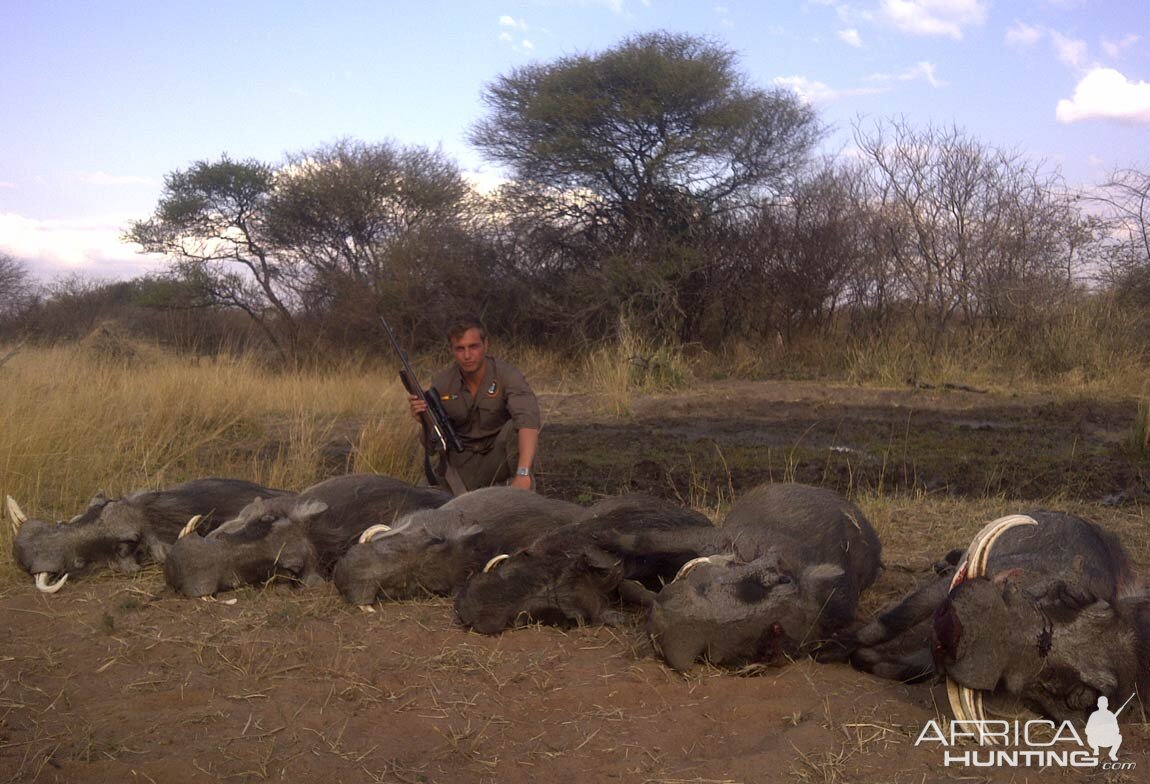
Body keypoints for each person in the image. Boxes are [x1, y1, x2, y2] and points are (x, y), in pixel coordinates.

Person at [408, 316, 540, 494]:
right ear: (452, 350)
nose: (467, 356)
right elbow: (431, 447)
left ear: (486, 344)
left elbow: (528, 421)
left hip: (496, 457)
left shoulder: (507, 375)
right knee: (421, 498)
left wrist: (523, 473)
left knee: (514, 429)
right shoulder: (442, 383)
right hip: (461, 463)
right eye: (460, 349)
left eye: (473, 347)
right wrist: (423, 421)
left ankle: (520, 487)